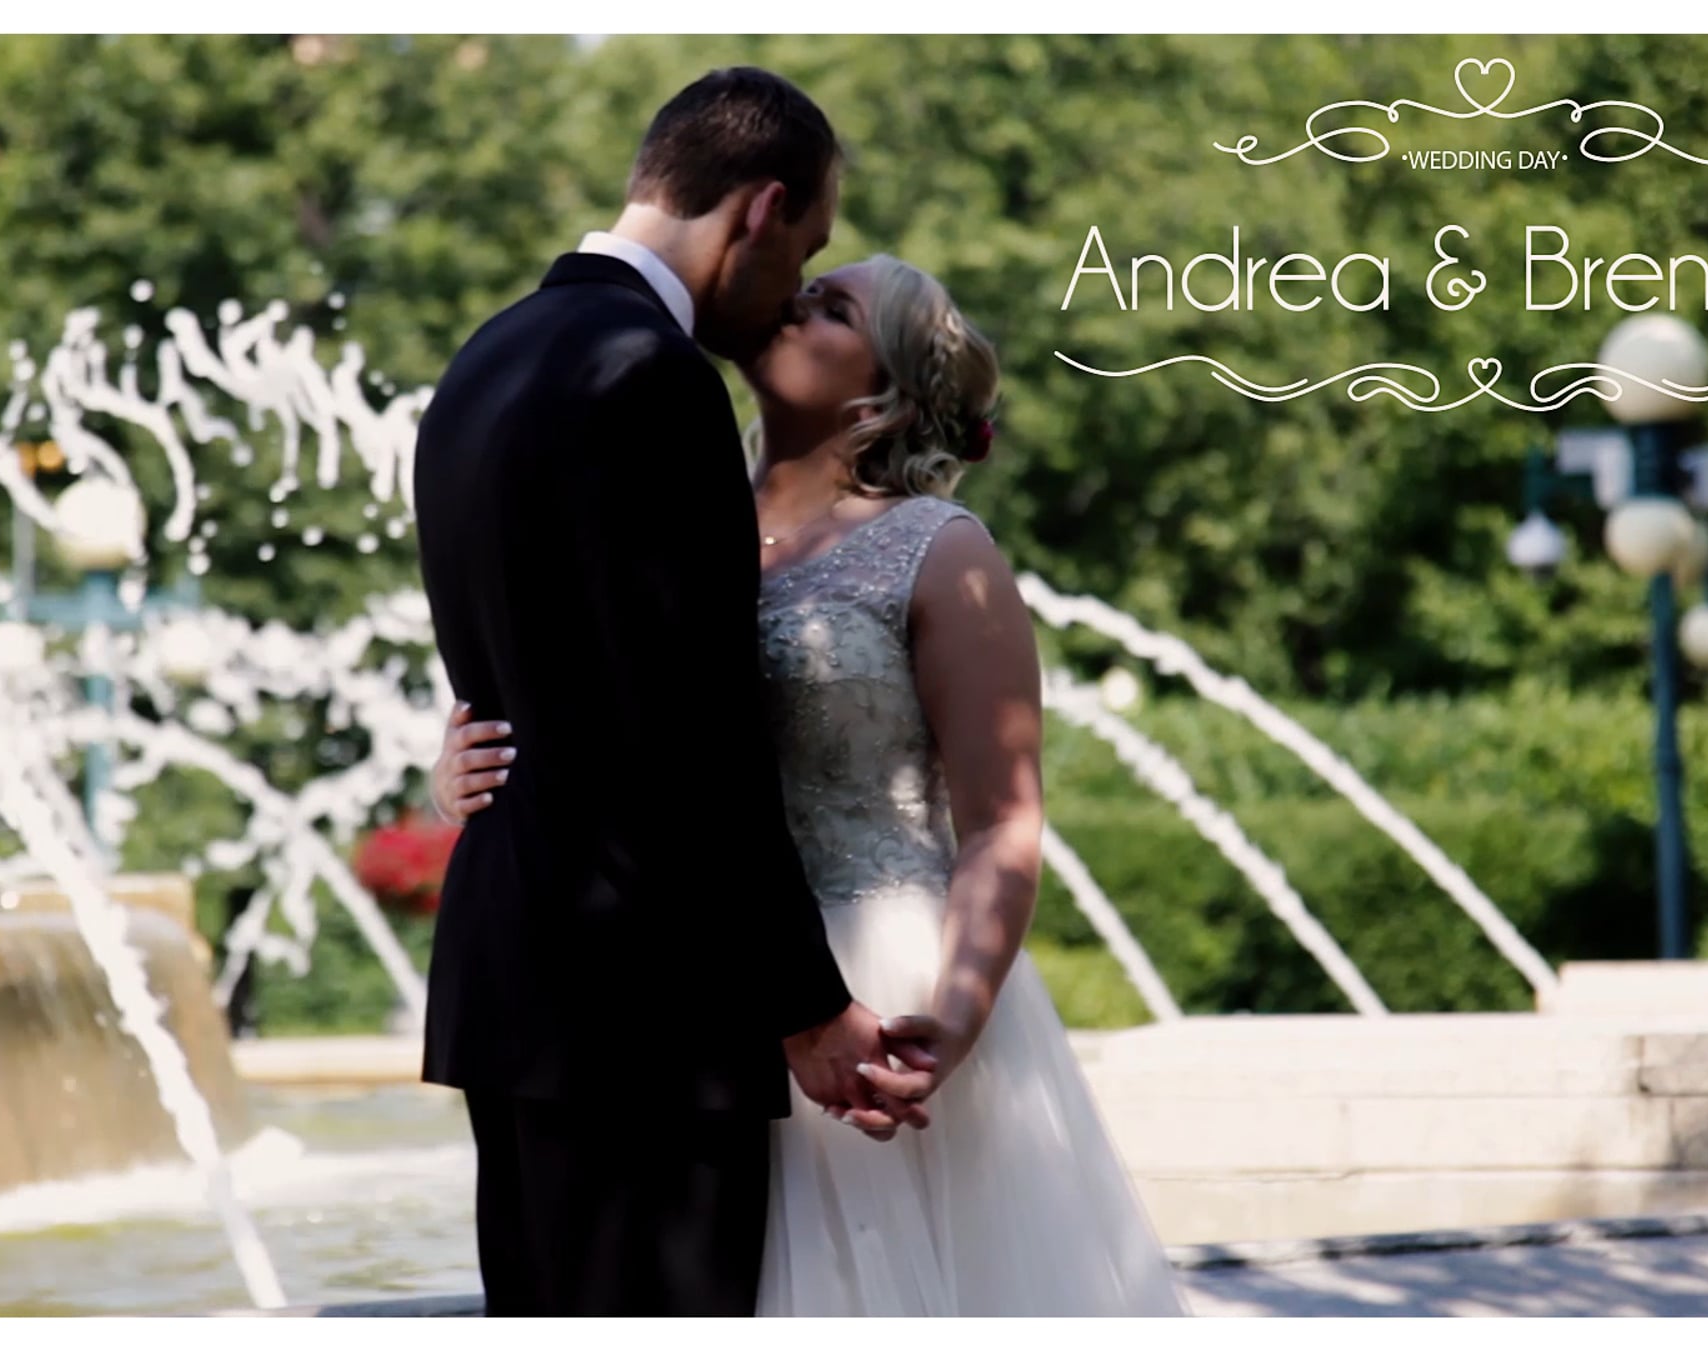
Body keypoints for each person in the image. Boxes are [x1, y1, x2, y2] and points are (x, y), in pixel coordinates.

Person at [430, 244, 1192, 1315]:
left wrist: (954, 1015)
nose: (791, 306)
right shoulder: (673, 512)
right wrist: (460, 767)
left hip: (876, 983)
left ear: (887, 392)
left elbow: (1002, 823)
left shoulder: (940, 553)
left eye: (829, 308)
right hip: (697, 992)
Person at [410, 67, 938, 1317]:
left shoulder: (485, 357)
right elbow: (688, 734)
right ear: (759, 210)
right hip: (642, 1013)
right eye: (804, 248)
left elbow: (542, 666)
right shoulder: (649, 376)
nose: (791, 288)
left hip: (510, 986)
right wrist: (806, 1006)